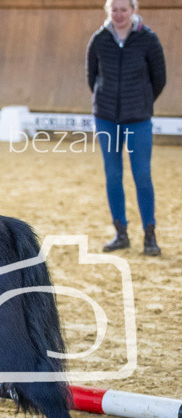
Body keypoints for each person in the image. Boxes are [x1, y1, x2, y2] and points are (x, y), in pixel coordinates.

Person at [86, 0, 167, 256]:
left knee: (142, 176)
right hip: (107, 119)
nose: (119, 14)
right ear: (108, 11)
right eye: (115, 9)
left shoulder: (148, 39)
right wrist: (107, 103)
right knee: (113, 175)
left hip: (138, 120)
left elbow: (159, 78)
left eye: (124, 9)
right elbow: (92, 77)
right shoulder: (99, 40)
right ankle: (121, 232)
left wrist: (140, 102)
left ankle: (149, 235)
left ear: (133, 10)